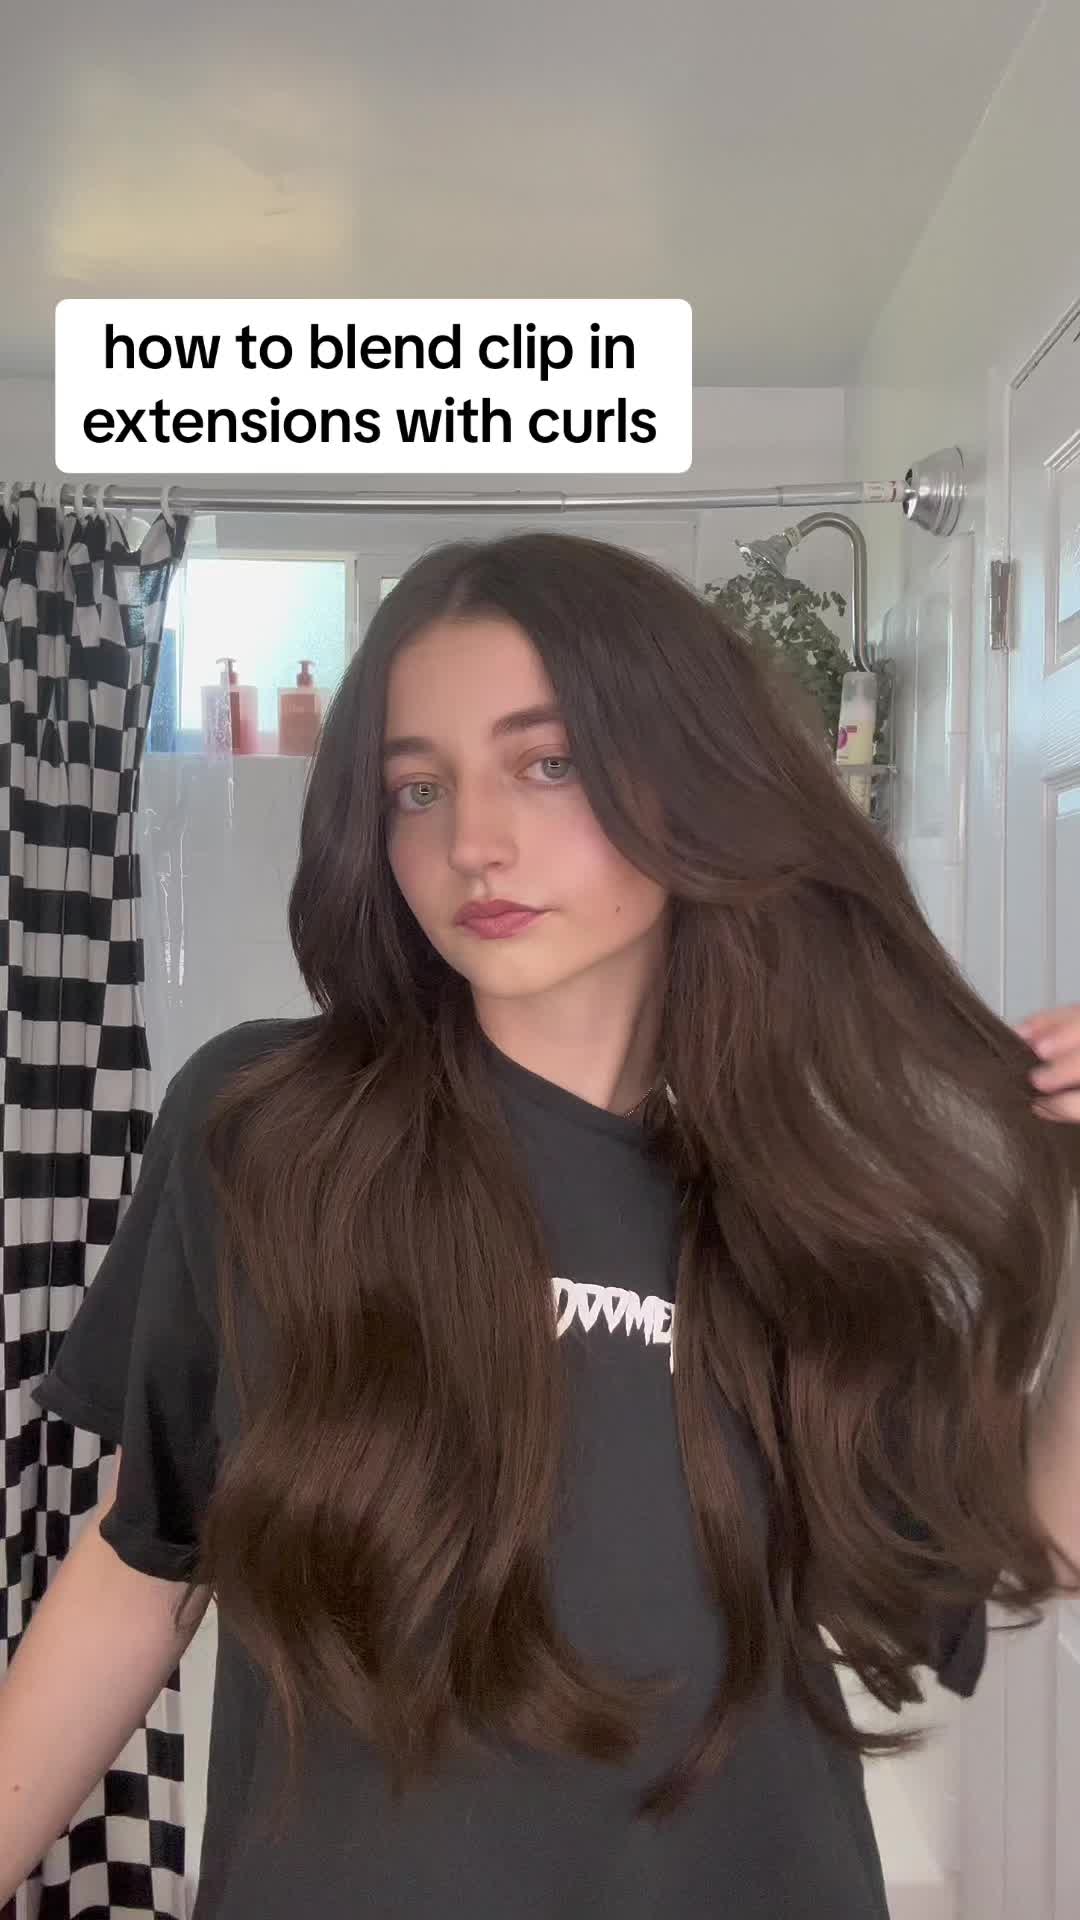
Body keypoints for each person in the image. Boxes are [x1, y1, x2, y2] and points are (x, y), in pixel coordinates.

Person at [2, 531, 1079, 1920]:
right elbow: (146, 1557)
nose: (472, 843)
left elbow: (1033, 1541)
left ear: (691, 775)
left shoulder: (813, 1190)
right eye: (417, 787)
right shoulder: (265, 1133)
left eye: (549, 763)